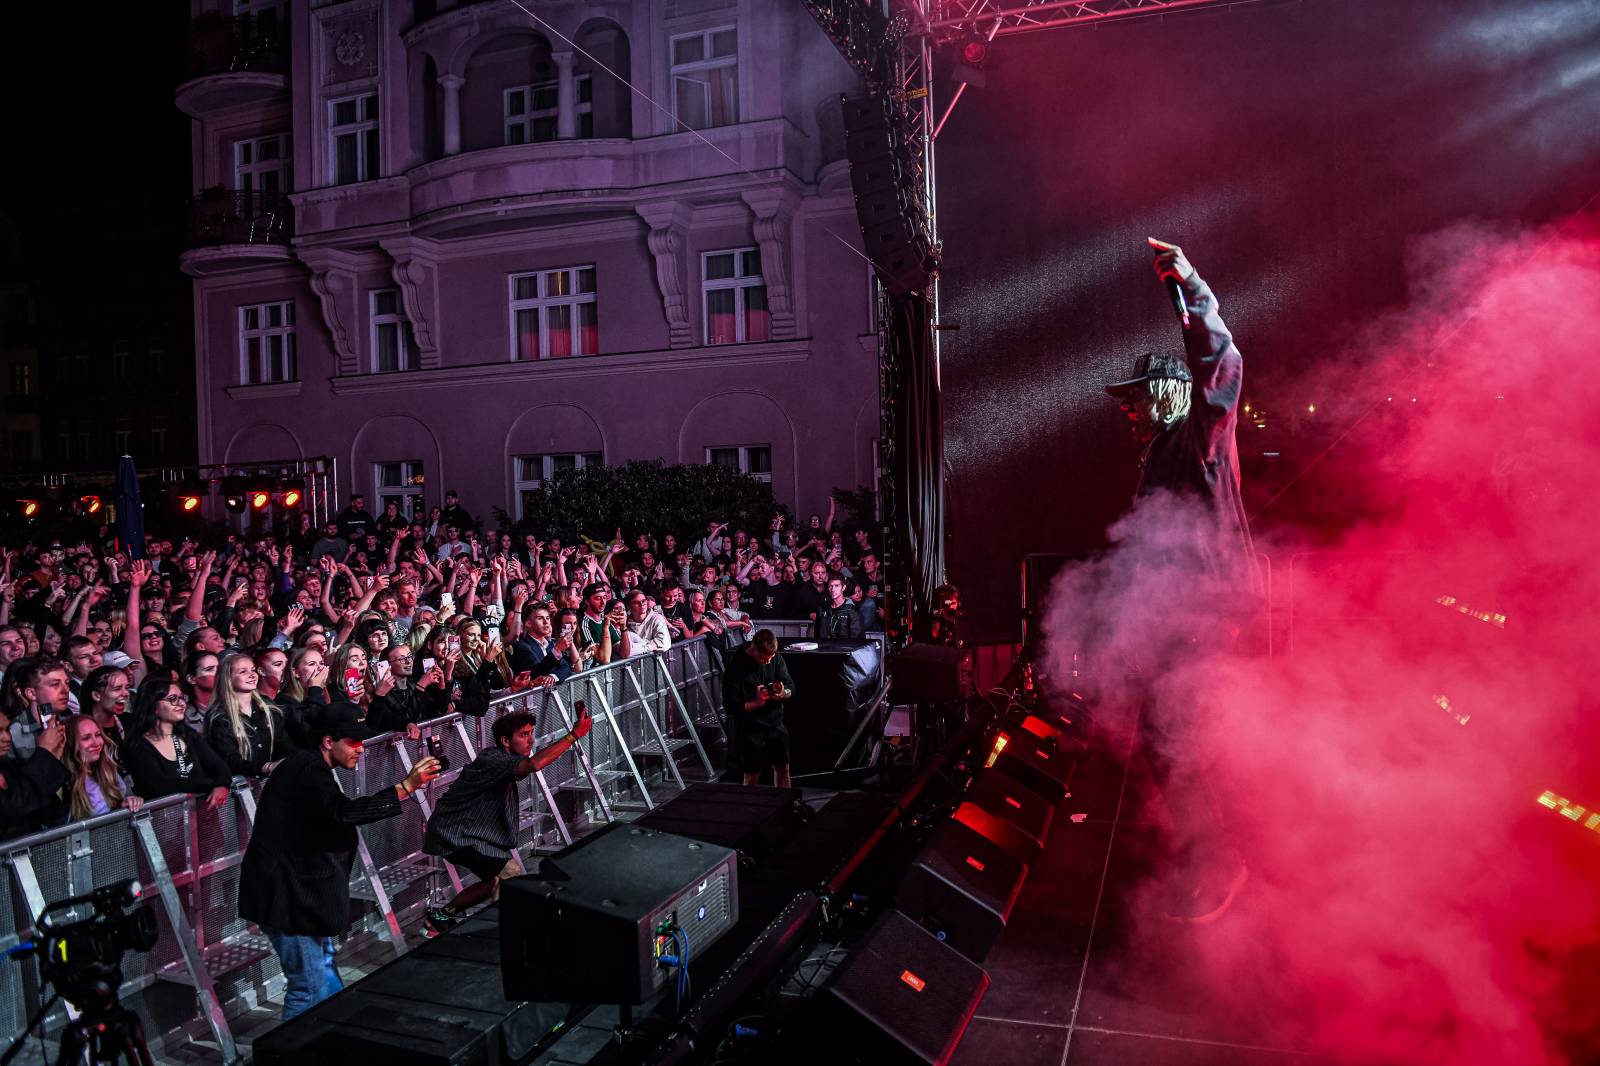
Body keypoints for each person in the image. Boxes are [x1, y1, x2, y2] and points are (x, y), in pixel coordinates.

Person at [1101, 237, 1256, 924]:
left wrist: (1185, 281)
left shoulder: (1198, 434)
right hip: (1178, 625)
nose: (1128, 411)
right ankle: (1205, 856)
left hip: (1206, 623)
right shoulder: (1160, 453)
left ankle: (1223, 863)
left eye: (1138, 398)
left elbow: (1221, 362)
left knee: (1189, 748)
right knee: (1169, 745)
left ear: (1169, 393)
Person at [238, 701, 439, 1020]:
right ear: (328, 741)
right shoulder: (307, 770)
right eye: (353, 741)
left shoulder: (310, 766)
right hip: (286, 900)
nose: (361, 749)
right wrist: (405, 787)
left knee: (324, 981)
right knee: (307, 987)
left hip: (302, 898)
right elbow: (343, 813)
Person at [421, 705, 592, 934]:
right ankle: (506, 933)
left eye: (532, 733)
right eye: (524, 734)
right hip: (452, 833)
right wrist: (573, 735)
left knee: (492, 881)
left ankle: (440, 917)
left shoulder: (504, 757)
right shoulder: (493, 759)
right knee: (509, 872)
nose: (531, 740)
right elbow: (533, 765)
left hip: (467, 831)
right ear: (505, 740)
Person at [121, 672, 233, 806]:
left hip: (203, 818)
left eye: (181, 698)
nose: (181, 704)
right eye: (173, 699)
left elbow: (218, 765)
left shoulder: (188, 734)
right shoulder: (138, 745)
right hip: (165, 821)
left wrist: (222, 784)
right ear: (153, 705)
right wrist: (210, 784)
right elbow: (161, 785)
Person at [722, 629, 796, 788]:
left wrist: (783, 693)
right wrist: (756, 703)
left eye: (771, 658)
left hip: (776, 724)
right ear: (753, 649)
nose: (768, 662)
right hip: (751, 729)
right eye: (764, 659)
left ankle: (785, 806)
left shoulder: (776, 658)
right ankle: (749, 810)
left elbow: (791, 687)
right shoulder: (736, 667)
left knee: (783, 769)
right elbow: (730, 705)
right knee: (752, 774)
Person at [205, 653, 295, 778]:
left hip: (273, 781)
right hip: (240, 787)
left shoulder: (268, 706)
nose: (252, 675)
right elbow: (230, 761)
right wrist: (266, 767)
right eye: (243, 672)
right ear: (228, 678)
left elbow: (284, 744)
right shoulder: (218, 717)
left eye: (253, 670)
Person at [0, 704, 68, 840]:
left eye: (7, 730)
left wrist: (51, 758)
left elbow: (50, 810)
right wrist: (44, 753)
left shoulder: (12, 769)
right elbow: (16, 805)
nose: (7, 737)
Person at [63, 715, 144, 820]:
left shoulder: (107, 770)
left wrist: (130, 802)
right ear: (70, 744)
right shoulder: (63, 784)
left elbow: (121, 803)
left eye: (98, 735)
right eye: (86, 738)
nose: (96, 743)